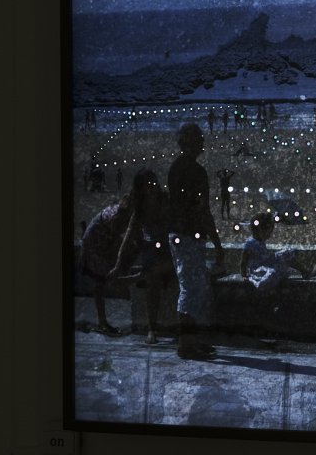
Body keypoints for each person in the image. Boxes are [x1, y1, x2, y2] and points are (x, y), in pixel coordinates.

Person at [167, 122, 225, 360]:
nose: (203, 142)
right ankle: (186, 345)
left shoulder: (175, 168)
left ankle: (191, 341)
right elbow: (203, 210)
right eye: (199, 138)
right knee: (191, 291)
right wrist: (217, 242)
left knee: (191, 288)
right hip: (189, 236)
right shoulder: (197, 172)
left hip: (178, 234)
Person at [109, 169, 175, 345]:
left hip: (170, 248)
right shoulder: (140, 210)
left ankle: (136, 277)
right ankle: (152, 329)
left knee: (163, 266)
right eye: (149, 184)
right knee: (153, 282)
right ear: (142, 188)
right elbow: (128, 238)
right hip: (152, 250)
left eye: (154, 182)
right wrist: (118, 265)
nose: (153, 187)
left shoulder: (166, 201)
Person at [78, 192, 134, 335]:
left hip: (97, 245)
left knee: (100, 284)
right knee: (100, 283)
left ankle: (102, 321)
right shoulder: (116, 217)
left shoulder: (119, 213)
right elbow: (114, 241)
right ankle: (102, 322)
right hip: (95, 247)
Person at [242, 211, 316, 295]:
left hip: (265, 265)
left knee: (286, 254)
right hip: (261, 272)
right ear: (260, 230)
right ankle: (305, 272)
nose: (270, 235)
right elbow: (244, 261)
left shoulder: (259, 241)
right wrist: (244, 275)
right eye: (268, 232)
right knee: (283, 258)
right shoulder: (250, 243)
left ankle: (304, 271)